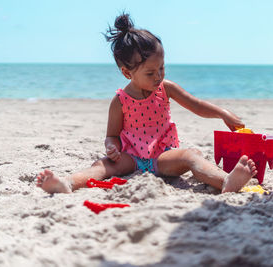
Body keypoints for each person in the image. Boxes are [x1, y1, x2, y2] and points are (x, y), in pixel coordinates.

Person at [37, 13, 257, 194]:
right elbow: (112, 135)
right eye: (150, 72)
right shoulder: (120, 101)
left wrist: (223, 113)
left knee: (192, 156)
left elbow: (196, 105)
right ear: (126, 73)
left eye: (161, 68)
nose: (158, 76)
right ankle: (68, 183)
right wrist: (111, 147)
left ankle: (226, 181)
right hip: (131, 159)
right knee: (101, 166)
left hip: (163, 156)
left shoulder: (166, 88)